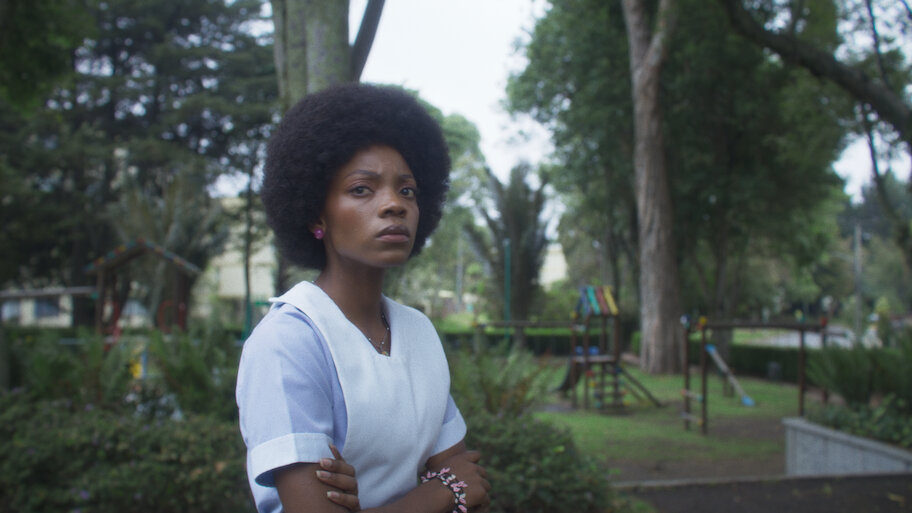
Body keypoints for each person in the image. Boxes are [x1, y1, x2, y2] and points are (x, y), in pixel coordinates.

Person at [236, 83, 491, 513]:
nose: (394, 204)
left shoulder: (418, 331)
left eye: (407, 190)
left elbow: (470, 482)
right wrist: (438, 492)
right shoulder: (288, 342)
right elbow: (457, 485)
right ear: (316, 214)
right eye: (361, 189)